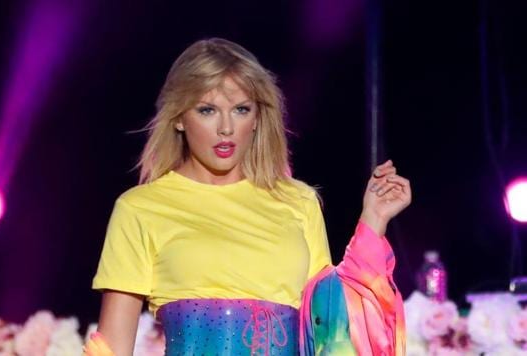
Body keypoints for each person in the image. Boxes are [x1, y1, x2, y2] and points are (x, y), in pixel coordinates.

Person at [85, 38, 411, 356]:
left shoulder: (297, 202)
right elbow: (112, 346)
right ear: (179, 118)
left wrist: (374, 219)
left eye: (241, 109)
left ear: (257, 119)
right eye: (207, 110)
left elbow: (328, 330)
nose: (226, 128)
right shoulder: (141, 209)